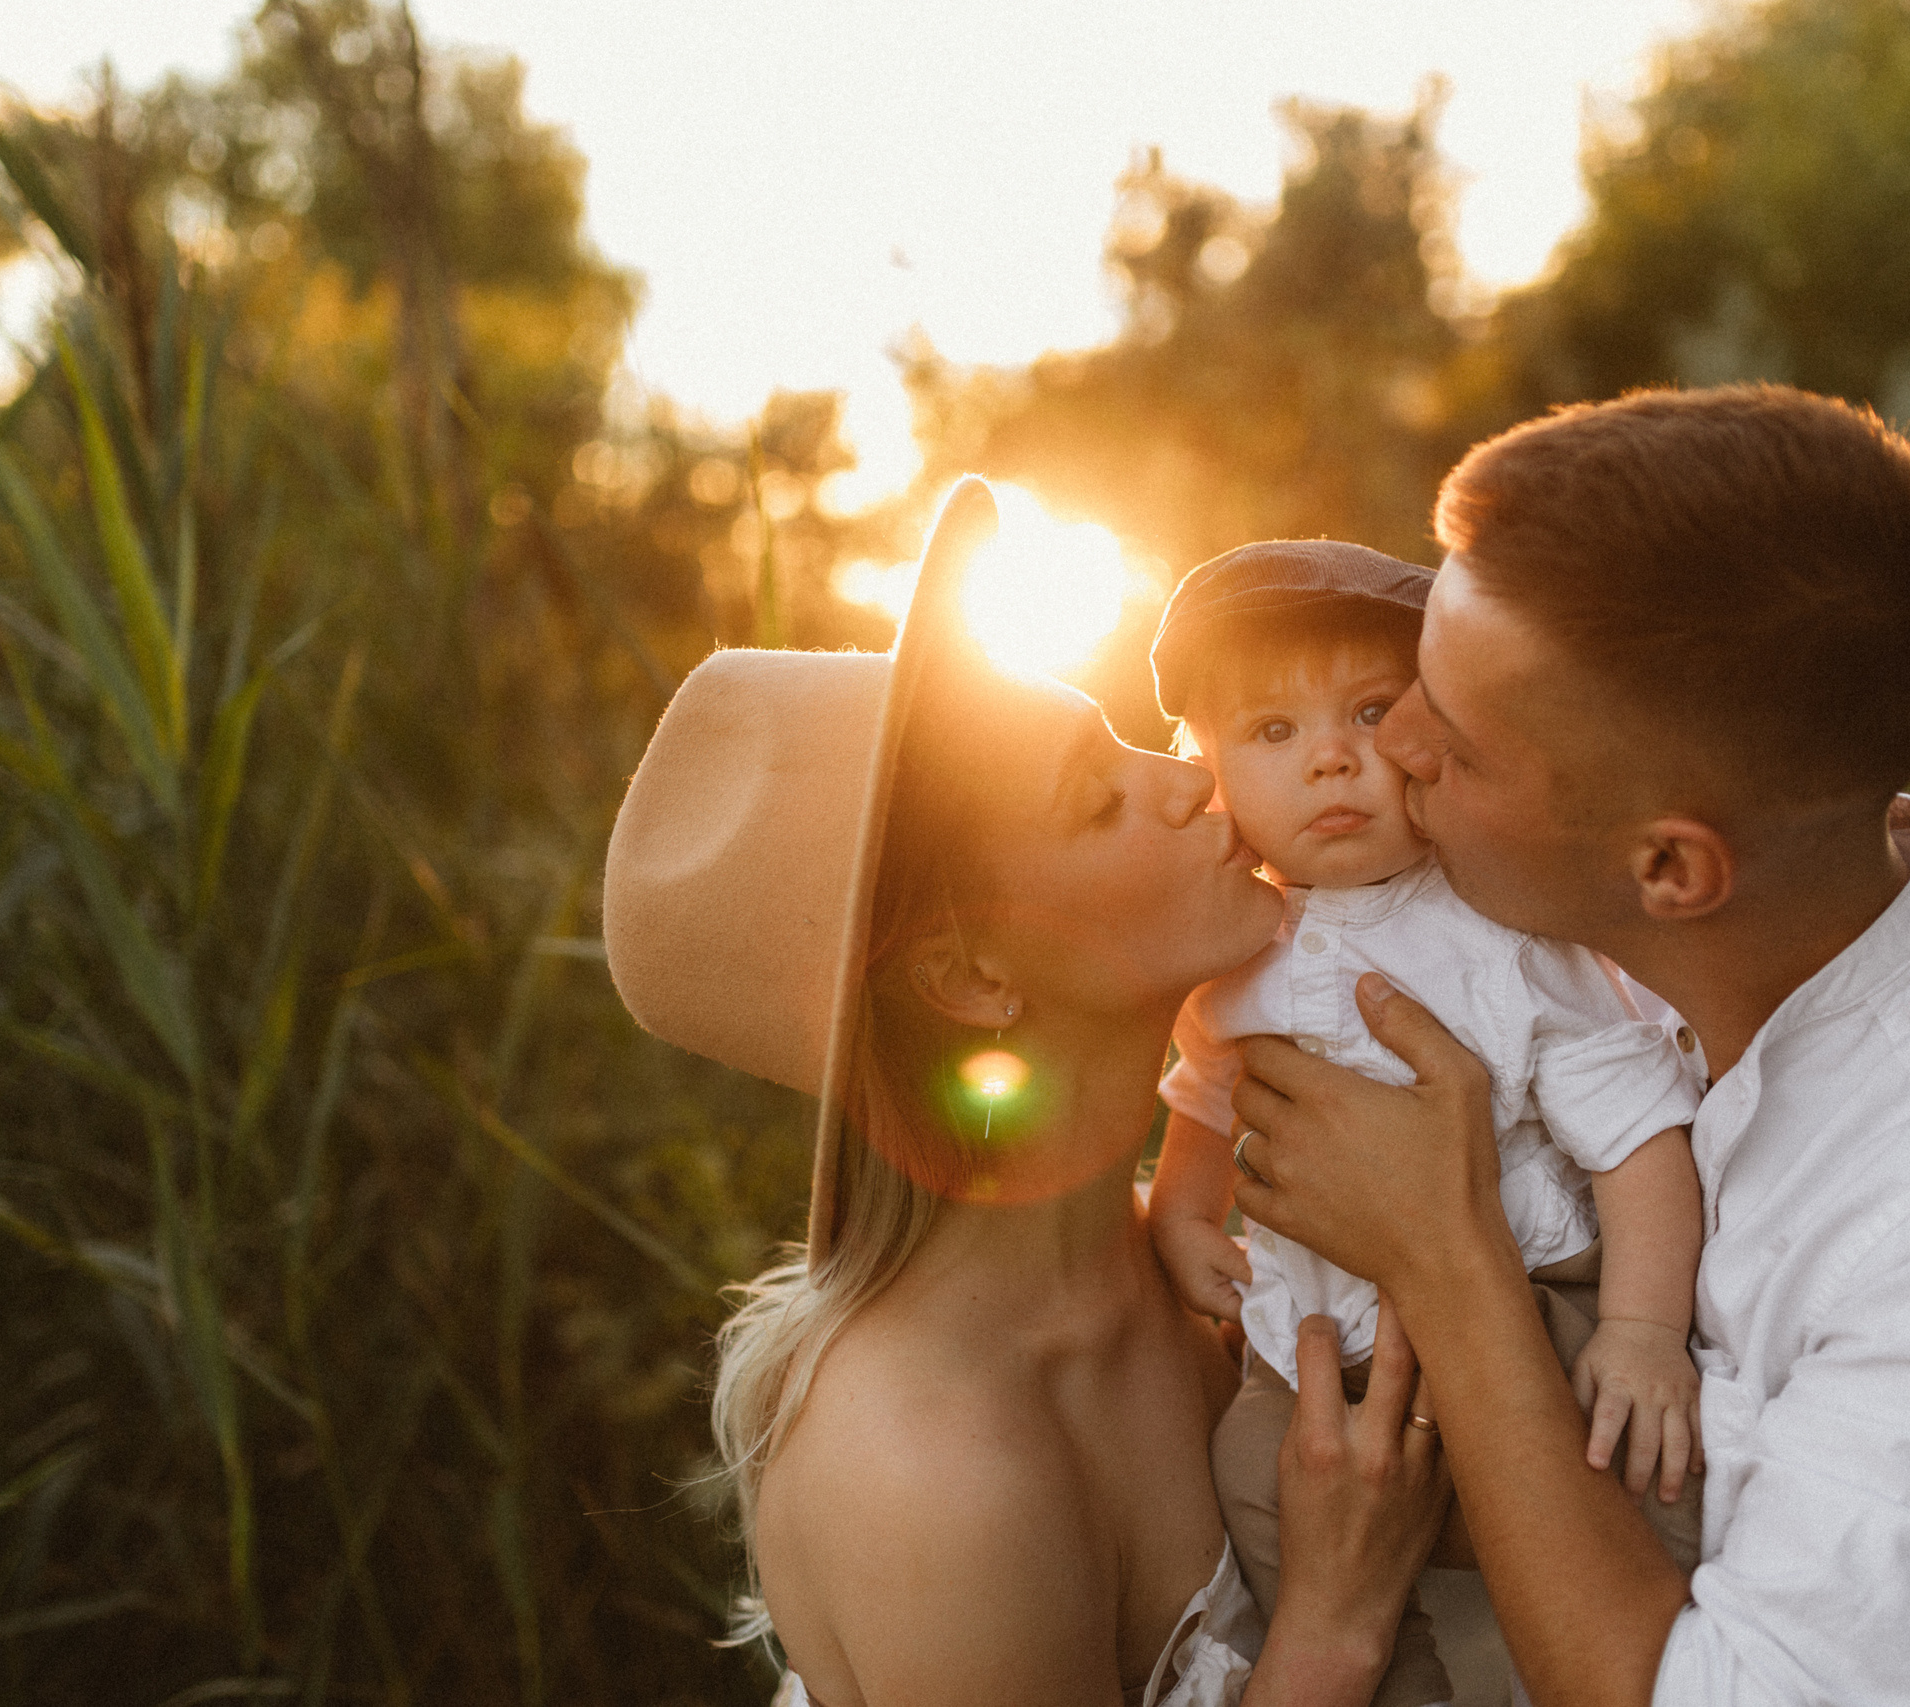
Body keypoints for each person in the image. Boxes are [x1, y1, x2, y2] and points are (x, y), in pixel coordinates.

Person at [1225, 385, 1910, 1704]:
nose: (1400, 748)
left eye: (1453, 730)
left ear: (1668, 864)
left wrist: (1448, 1260)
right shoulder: (1607, 980)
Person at [603, 479, 1447, 1707]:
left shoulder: (1196, 1260)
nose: (1188, 782)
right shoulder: (930, 1465)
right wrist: (1332, 1625)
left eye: (1123, 741)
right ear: (970, 975)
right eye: (1098, 801)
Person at [1140, 540, 1707, 1707]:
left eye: (1366, 712)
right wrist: (1186, 1209)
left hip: (1539, 1293)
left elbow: (1637, 1128)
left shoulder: (1501, 929)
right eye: (1273, 733)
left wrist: (1644, 1328)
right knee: (1251, 1485)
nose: (1333, 759)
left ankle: (1687, 1646)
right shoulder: (1228, 951)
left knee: (1635, 1469)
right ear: (1210, 776)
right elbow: (1205, 1090)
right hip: (1307, 1353)